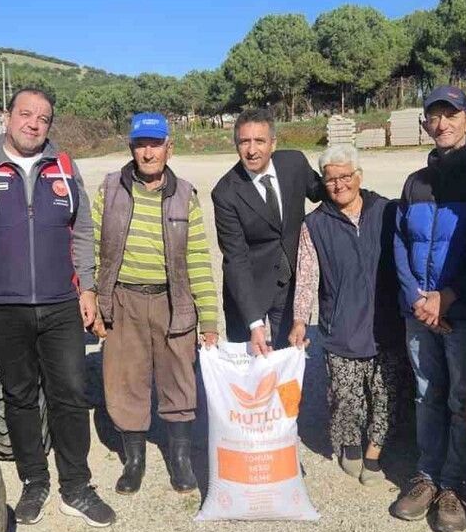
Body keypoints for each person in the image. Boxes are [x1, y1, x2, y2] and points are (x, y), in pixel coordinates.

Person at [0, 87, 115, 528]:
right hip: (4, 305)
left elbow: (83, 230)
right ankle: (34, 480)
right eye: (26, 114)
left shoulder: (64, 167)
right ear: (8, 116)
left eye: (43, 118)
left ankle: (76, 486)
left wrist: (87, 288)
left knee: (70, 394)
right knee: (19, 396)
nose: (33, 124)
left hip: (61, 303)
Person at [92, 113, 219, 496]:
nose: (148, 153)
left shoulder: (185, 195)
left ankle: (179, 459)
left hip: (171, 300)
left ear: (169, 148)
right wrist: (96, 300)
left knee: (179, 379)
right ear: (131, 148)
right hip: (124, 301)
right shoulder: (110, 189)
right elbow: (94, 249)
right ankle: (134, 461)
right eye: (141, 145)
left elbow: (198, 258)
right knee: (125, 380)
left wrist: (208, 320)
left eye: (155, 144)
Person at [390, 85, 466, 532]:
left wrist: (448, 296)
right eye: (434, 116)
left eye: (452, 115)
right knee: (426, 393)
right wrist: (416, 295)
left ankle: (454, 485)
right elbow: (399, 242)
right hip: (418, 312)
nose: (442, 123)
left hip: (461, 311)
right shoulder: (415, 182)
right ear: (425, 124)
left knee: (459, 398)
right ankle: (427, 476)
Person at [289, 145, 404, 486]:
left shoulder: (386, 211)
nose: (339, 185)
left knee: (385, 393)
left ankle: (375, 451)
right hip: (341, 325)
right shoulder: (315, 224)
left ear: (359, 176)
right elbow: (307, 277)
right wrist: (300, 319)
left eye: (345, 176)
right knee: (345, 395)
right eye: (330, 179)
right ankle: (350, 443)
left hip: (386, 322)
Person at [212, 107, 323, 354]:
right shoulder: (225, 193)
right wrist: (254, 322)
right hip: (248, 290)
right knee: (250, 364)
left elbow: (326, 192)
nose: (252, 150)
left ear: (273, 143)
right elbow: (236, 258)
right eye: (244, 142)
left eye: (259, 141)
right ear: (236, 145)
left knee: (288, 356)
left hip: (288, 284)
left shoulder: (294, 164)